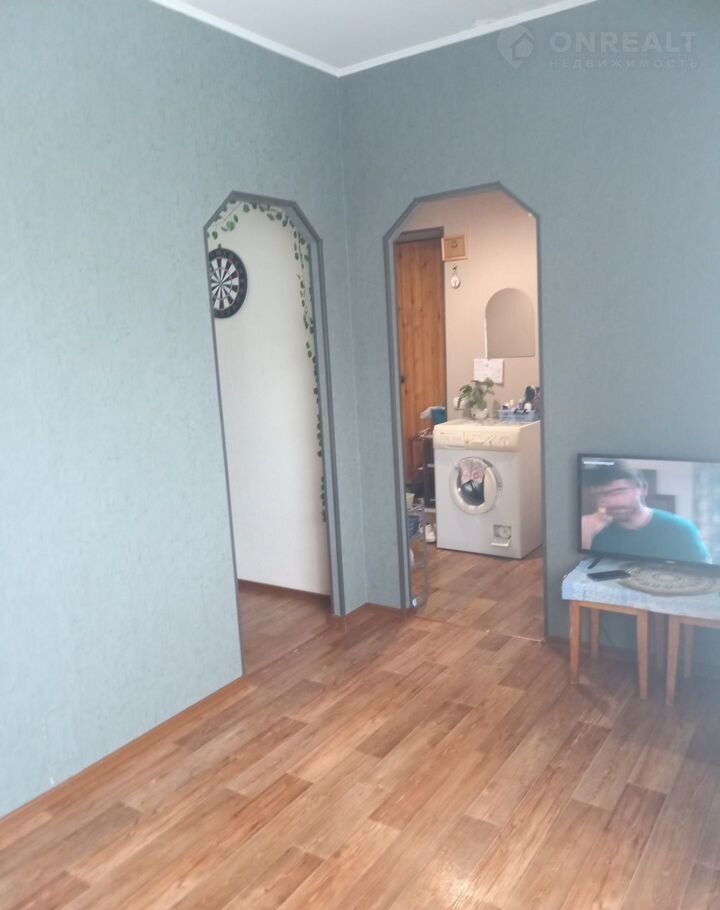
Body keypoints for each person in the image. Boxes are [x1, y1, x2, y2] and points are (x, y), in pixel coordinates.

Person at [582, 462, 711, 564]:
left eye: (618, 492)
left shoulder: (680, 530)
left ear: (642, 489)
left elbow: (705, 573)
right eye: (602, 494)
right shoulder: (598, 533)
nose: (611, 502)